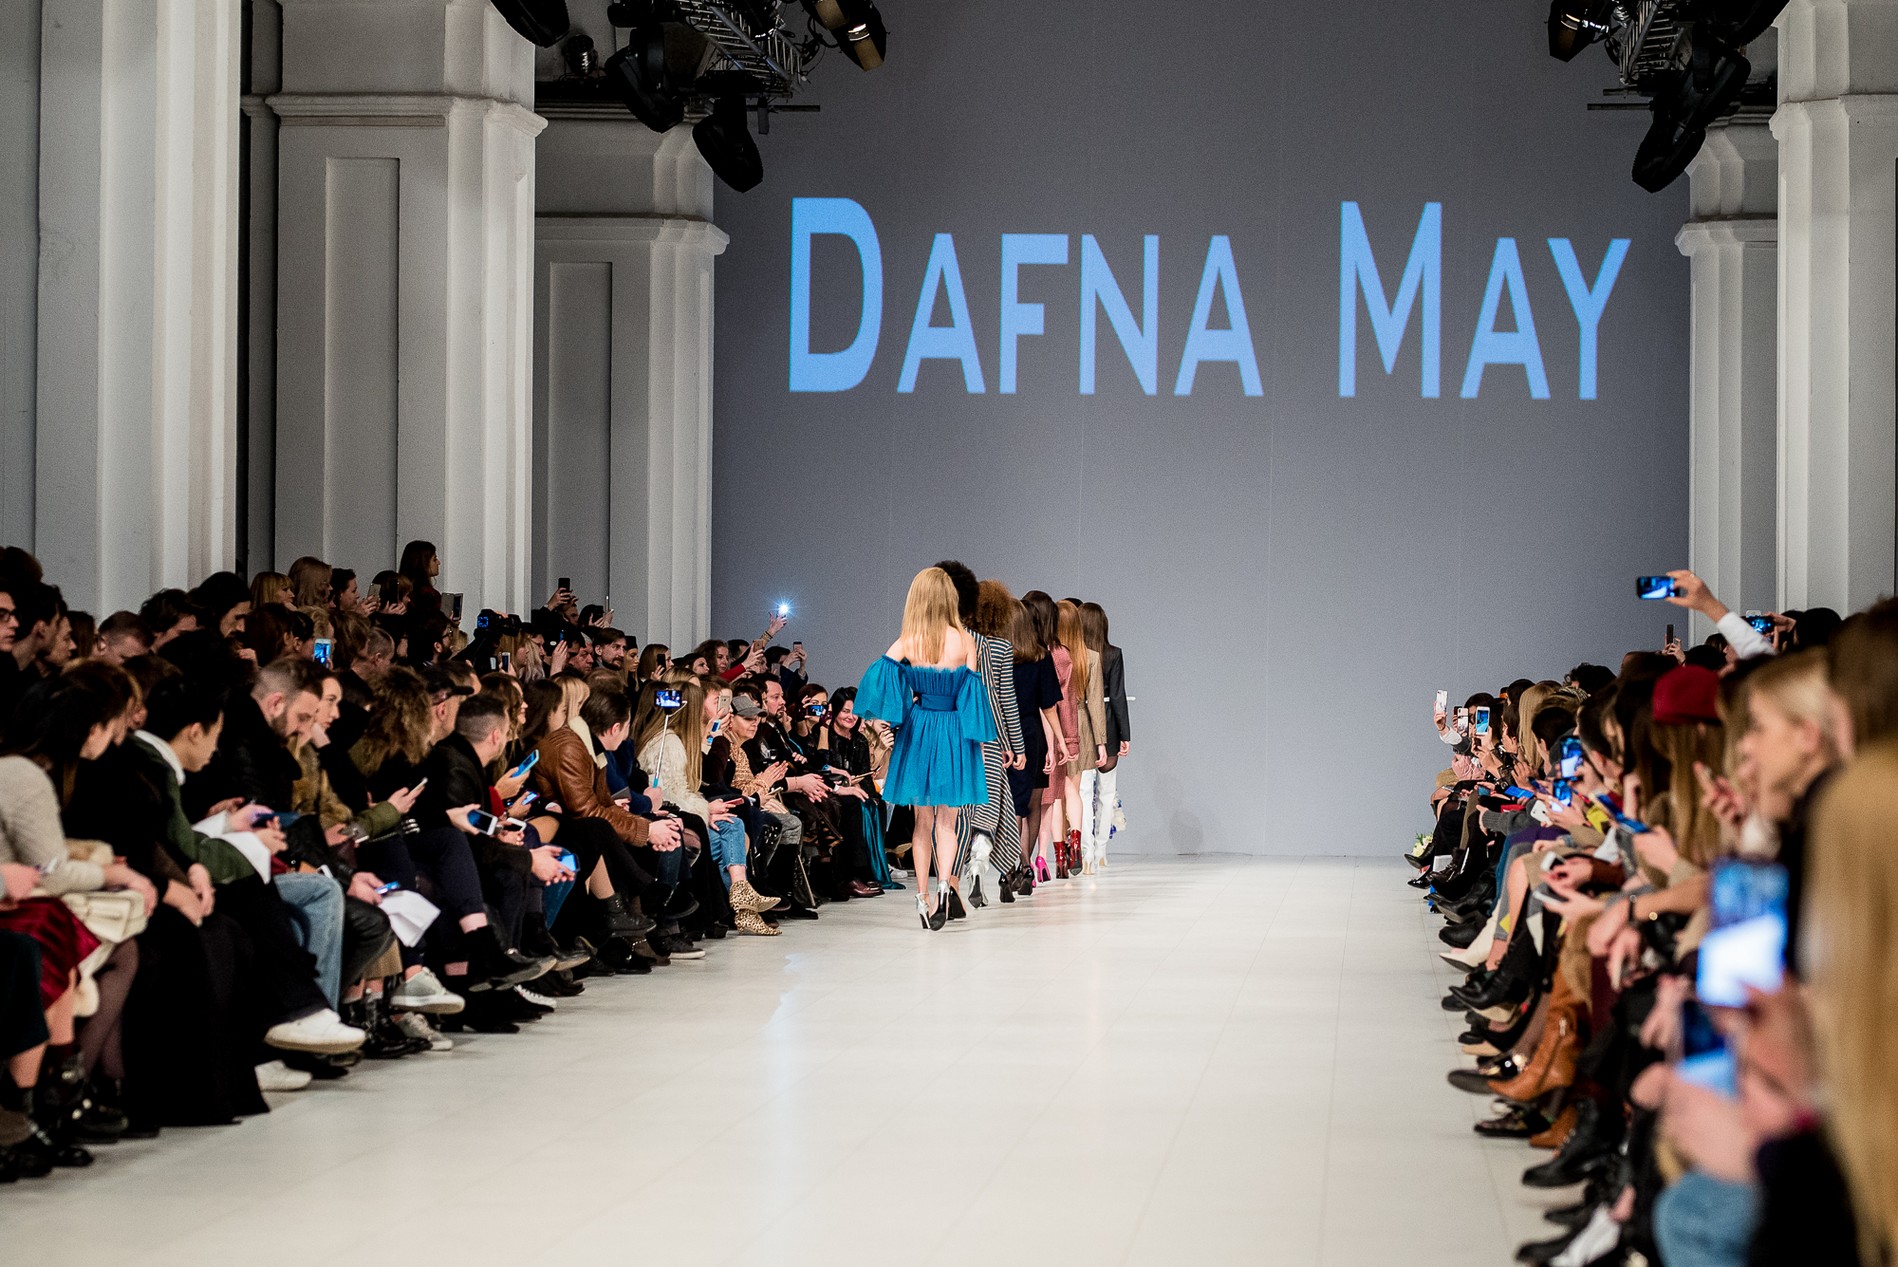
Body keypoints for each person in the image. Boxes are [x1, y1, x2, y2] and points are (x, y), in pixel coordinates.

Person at [855, 567, 996, 931]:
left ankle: (922, 896)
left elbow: (880, 676)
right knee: (948, 822)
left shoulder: (908, 640)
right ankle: (946, 885)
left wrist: (898, 709)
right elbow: (972, 700)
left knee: (922, 822)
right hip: (954, 732)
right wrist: (977, 747)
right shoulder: (965, 641)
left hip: (918, 731)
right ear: (950, 598)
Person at [1080, 600, 1129, 870]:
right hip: (1109, 725)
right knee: (1107, 794)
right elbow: (1118, 696)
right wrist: (1125, 734)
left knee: (1084, 793)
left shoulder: (1077, 656)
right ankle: (1100, 851)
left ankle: (1086, 853)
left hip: (1084, 724)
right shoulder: (1113, 654)